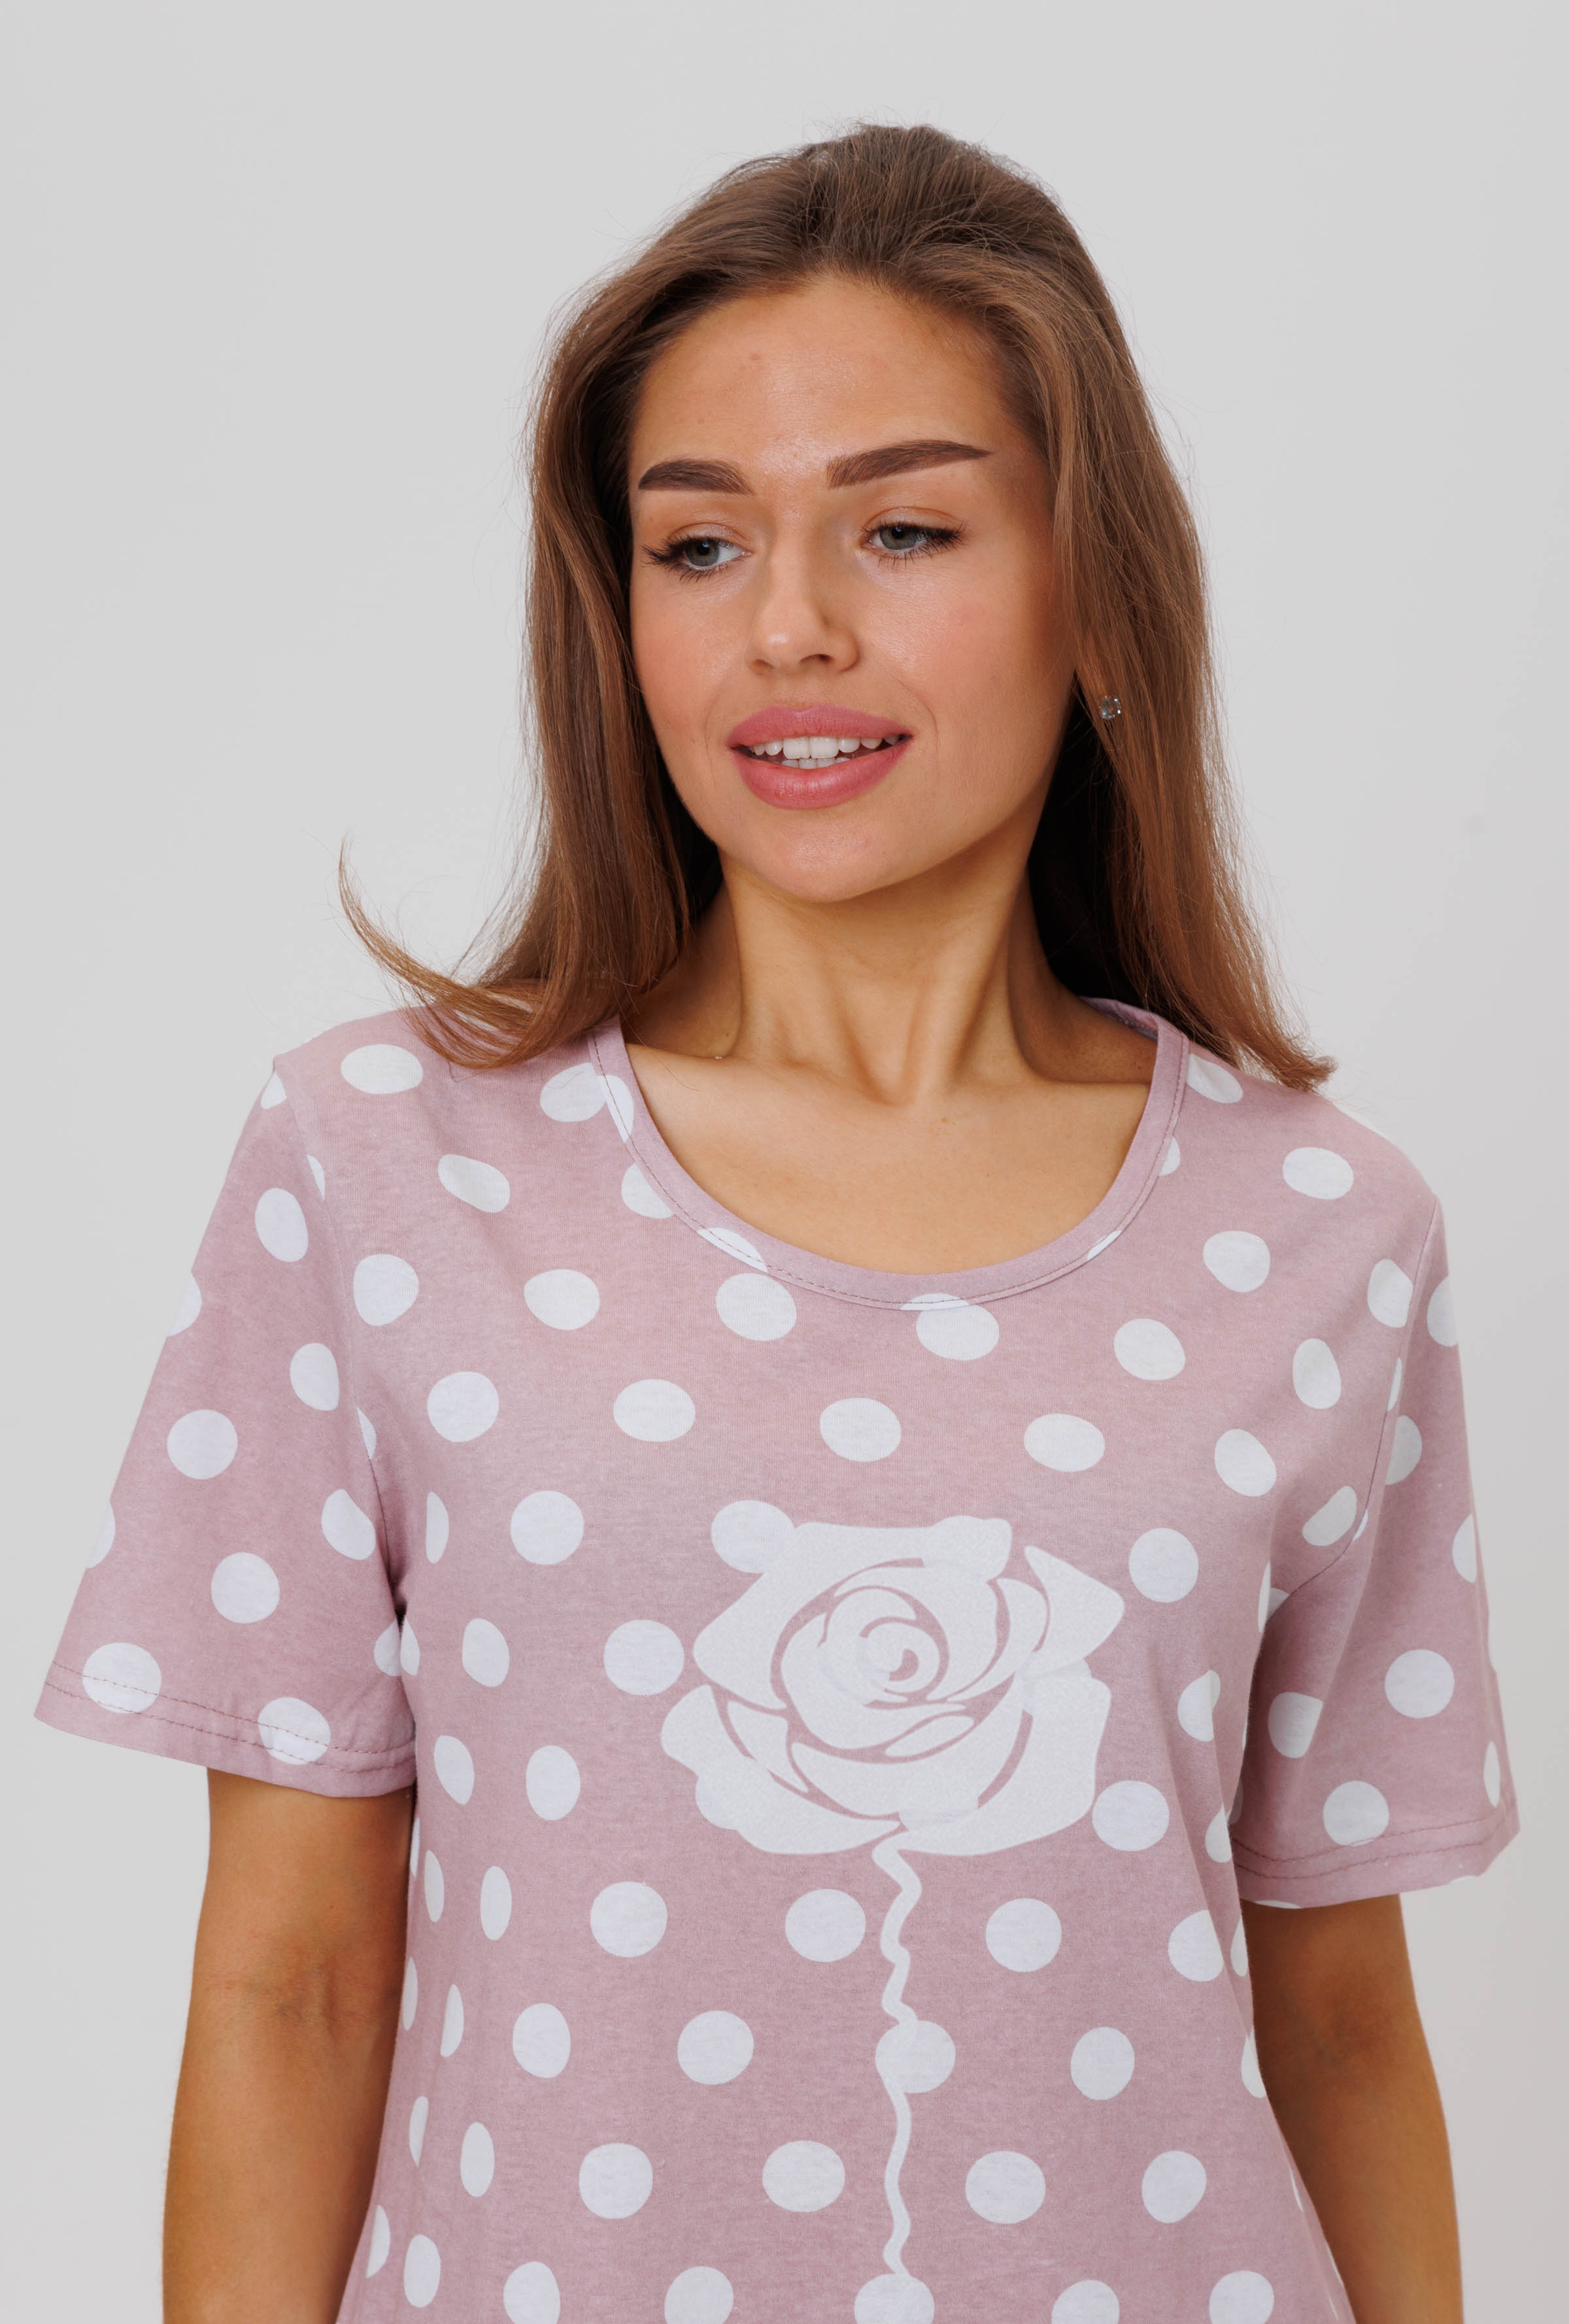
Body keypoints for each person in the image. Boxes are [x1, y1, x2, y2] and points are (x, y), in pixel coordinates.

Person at [37, 124, 1515, 2324]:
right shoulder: (380, 1168)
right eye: (699, 544)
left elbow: (1342, 2024)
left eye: (905, 528)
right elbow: (294, 1983)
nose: (791, 627)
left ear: (1098, 594)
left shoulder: (1325, 1232)